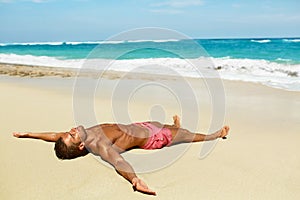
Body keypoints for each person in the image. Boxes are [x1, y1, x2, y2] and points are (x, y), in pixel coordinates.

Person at [13, 115, 229, 196]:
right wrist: (134, 179)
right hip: (153, 139)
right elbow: (118, 162)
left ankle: (173, 126)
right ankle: (214, 136)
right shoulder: (100, 146)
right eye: (72, 136)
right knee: (186, 136)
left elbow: (54, 135)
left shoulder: (80, 136)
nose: (70, 131)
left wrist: (27, 134)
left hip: (140, 126)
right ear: (81, 147)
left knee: (159, 123)